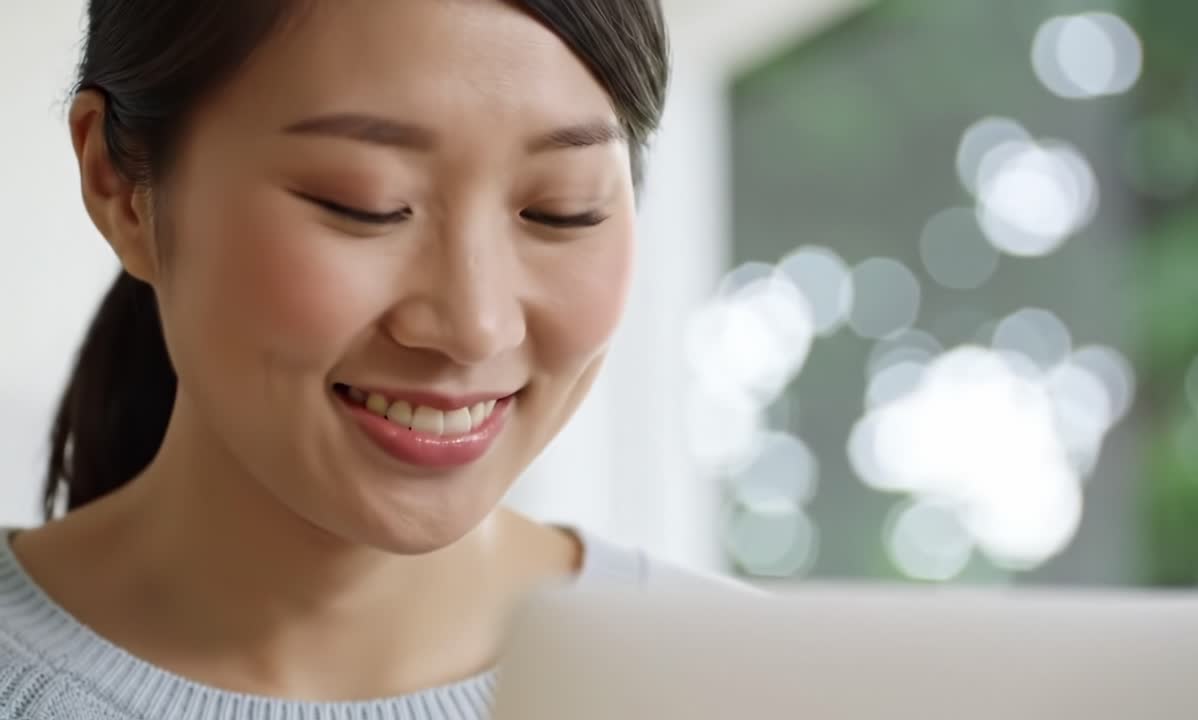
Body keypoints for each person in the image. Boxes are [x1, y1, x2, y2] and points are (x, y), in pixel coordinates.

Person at [0, 1, 713, 718]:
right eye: (363, 203)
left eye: (563, 209)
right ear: (121, 188)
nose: (475, 328)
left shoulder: (736, 682)